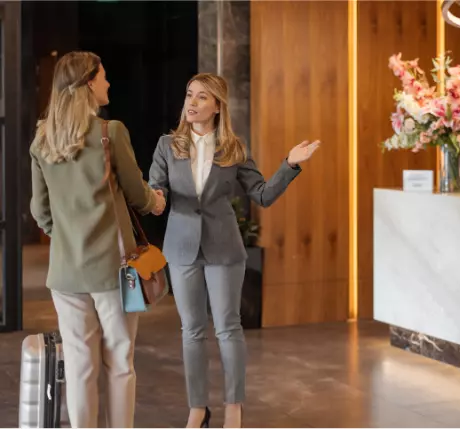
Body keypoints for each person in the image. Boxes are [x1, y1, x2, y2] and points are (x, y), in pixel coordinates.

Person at [148, 73, 320, 428]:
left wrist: (289, 164)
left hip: (224, 248)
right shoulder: (167, 145)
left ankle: (234, 407)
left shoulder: (235, 148)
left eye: (202, 97)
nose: (192, 103)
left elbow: (262, 195)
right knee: (192, 329)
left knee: (228, 327)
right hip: (181, 249)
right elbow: (156, 191)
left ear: (217, 106)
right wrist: (154, 199)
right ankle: (198, 408)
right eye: (189, 95)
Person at [29, 51, 166, 427]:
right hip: (115, 272)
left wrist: (71, 238)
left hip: (66, 273)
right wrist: (158, 201)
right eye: (103, 77)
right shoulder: (111, 132)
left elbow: (41, 212)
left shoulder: (42, 141)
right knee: (120, 360)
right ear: (89, 83)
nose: (108, 83)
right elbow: (138, 195)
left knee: (79, 365)